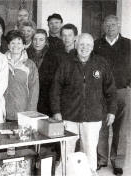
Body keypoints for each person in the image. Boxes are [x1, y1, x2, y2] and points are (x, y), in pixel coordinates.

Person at [50, 33, 117, 174]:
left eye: (88, 45)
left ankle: (90, 172)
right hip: (69, 115)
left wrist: (112, 111)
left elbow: (110, 89)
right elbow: (55, 89)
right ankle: (64, 173)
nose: (84, 48)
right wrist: (56, 111)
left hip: (93, 116)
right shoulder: (66, 63)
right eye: (81, 44)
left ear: (92, 47)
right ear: (76, 45)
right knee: (67, 149)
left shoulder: (101, 63)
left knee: (90, 149)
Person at [95, 15, 131, 175]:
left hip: (122, 90)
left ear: (119, 26)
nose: (110, 27)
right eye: (107, 25)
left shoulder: (128, 44)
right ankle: (101, 159)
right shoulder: (97, 45)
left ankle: (118, 161)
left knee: (120, 128)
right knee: (101, 125)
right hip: (101, 91)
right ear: (103, 26)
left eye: (113, 25)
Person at [4, 30, 39, 121]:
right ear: (8, 45)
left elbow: (34, 91)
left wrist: (31, 113)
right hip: (2, 112)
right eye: (12, 43)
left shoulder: (30, 65)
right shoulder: (1, 62)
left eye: (19, 43)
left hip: (23, 112)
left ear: (24, 45)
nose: (16, 46)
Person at [26, 29, 59, 117]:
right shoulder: (25, 54)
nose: (37, 42)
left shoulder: (53, 56)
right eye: (35, 39)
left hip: (46, 99)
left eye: (41, 40)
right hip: (29, 97)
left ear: (46, 42)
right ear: (31, 40)